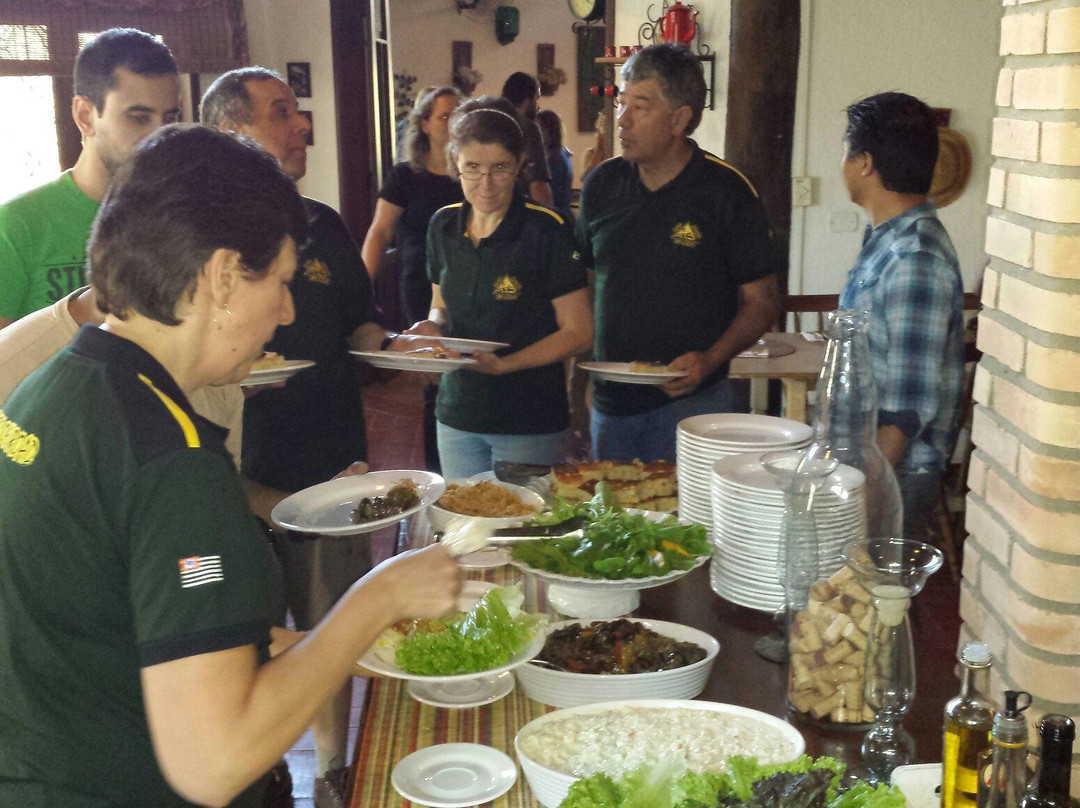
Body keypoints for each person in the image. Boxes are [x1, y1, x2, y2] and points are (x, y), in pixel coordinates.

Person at [0, 122, 462, 808]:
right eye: (277, 280)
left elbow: (109, 616)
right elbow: (213, 762)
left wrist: (297, 649)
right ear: (221, 276)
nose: (285, 310)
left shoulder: (49, 389)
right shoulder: (170, 458)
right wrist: (379, 596)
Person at [200, 67, 426, 808]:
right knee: (240, 644)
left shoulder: (324, 222)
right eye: (281, 113)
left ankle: (332, 773)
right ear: (234, 133)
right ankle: (257, 776)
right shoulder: (204, 240)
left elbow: (359, 323)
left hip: (336, 472)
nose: (302, 127)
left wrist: (398, 347)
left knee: (333, 632)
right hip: (235, 480)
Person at [576, 43, 780, 463]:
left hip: (695, 403)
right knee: (616, 523)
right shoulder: (601, 185)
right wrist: (578, 384)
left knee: (690, 526)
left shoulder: (726, 192)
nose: (622, 120)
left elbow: (762, 303)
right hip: (611, 403)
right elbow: (585, 287)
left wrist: (711, 359)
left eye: (640, 107)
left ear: (679, 118)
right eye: (621, 102)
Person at [418, 104, 592, 478]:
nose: (485, 183)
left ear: (520, 163)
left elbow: (579, 332)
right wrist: (432, 332)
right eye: (472, 169)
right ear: (455, 162)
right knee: (462, 525)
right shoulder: (442, 226)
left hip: (528, 418)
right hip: (458, 412)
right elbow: (439, 307)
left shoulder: (548, 230)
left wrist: (507, 364)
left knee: (525, 530)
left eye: (499, 168)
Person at [838, 91, 965, 543]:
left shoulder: (915, 255)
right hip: (871, 462)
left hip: (894, 472)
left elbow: (909, 407)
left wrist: (864, 497)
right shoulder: (890, 239)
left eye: (846, 151)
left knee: (869, 603)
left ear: (865, 163)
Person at [0, 28, 180, 329]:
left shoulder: (180, 220)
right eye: (138, 117)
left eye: (170, 119)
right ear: (85, 116)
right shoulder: (17, 226)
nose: (158, 136)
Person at [363, 86, 463, 324]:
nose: (453, 123)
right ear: (425, 124)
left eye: (459, 115)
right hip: (419, 279)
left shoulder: (473, 175)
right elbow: (380, 231)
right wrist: (362, 285)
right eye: (445, 116)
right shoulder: (404, 176)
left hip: (466, 280)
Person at [500, 71, 554, 207]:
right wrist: (551, 219)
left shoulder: (489, 122)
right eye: (537, 98)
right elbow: (538, 183)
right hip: (519, 209)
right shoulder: (528, 128)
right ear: (527, 99)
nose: (537, 105)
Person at [535, 108, 574, 223]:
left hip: (557, 216)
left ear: (549, 130)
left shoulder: (554, 159)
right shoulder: (562, 153)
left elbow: (553, 195)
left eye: (539, 128)